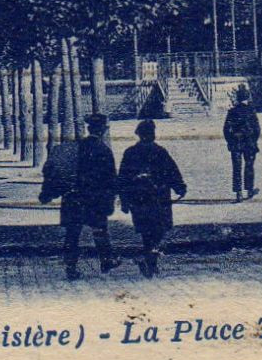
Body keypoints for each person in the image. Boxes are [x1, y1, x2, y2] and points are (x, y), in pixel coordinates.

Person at [39, 112, 120, 281]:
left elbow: (60, 170)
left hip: (73, 198)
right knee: (100, 231)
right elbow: (110, 179)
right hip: (94, 199)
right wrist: (110, 200)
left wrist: (48, 192)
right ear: (103, 130)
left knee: (72, 234)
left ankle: (71, 267)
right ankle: (106, 260)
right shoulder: (104, 150)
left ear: (89, 128)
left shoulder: (74, 147)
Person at [117, 119, 187, 278]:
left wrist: (125, 200)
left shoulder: (131, 153)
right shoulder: (159, 151)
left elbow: (122, 179)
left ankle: (149, 260)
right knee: (157, 230)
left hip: (141, 201)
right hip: (156, 200)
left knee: (147, 232)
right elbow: (172, 172)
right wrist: (180, 187)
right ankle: (150, 261)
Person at [222, 85, 262, 202]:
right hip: (249, 143)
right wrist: (254, 140)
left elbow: (226, 129)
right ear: (247, 97)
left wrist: (230, 141)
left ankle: (238, 193)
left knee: (237, 167)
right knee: (249, 166)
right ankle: (249, 190)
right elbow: (257, 129)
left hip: (236, 143)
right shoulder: (251, 111)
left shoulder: (232, 111)